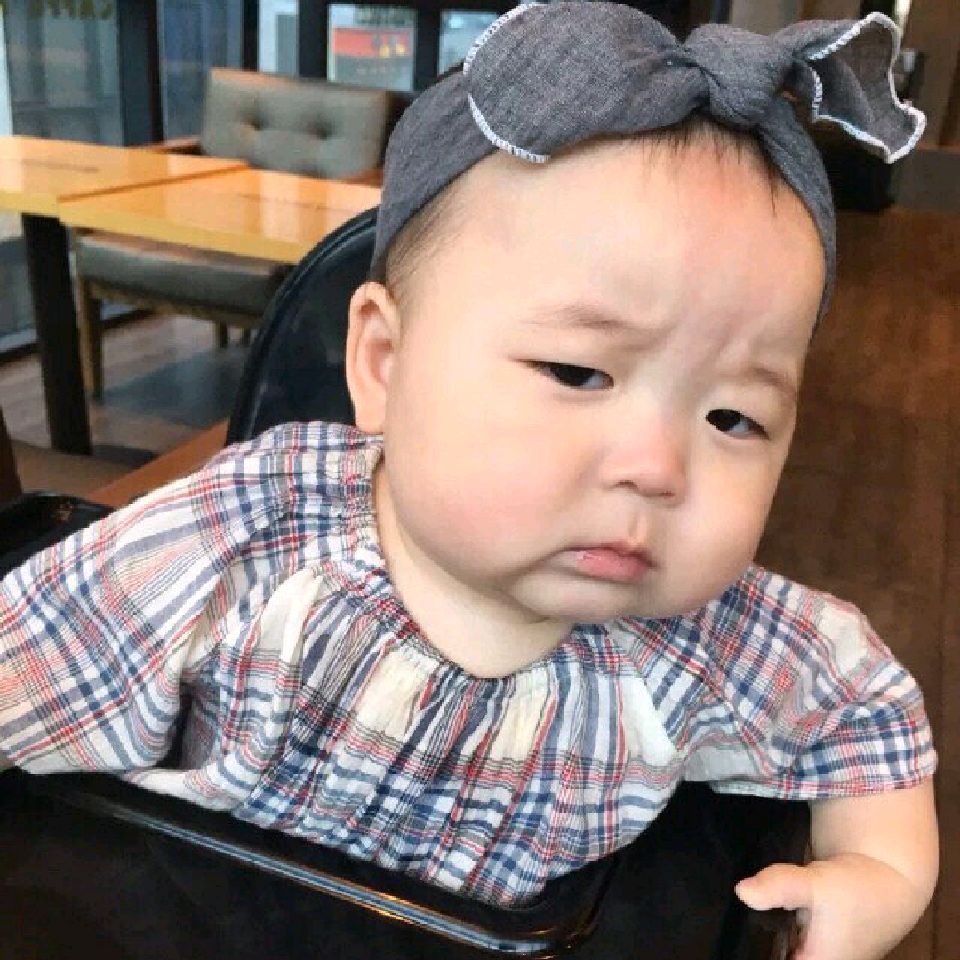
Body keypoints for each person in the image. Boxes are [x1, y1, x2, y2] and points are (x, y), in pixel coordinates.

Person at [0, 4, 939, 958]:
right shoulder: (252, 530)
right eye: (578, 373)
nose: (657, 468)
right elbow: (34, 653)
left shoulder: (708, 640)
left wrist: (878, 873)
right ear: (385, 363)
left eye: (733, 418)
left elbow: (865, 714)